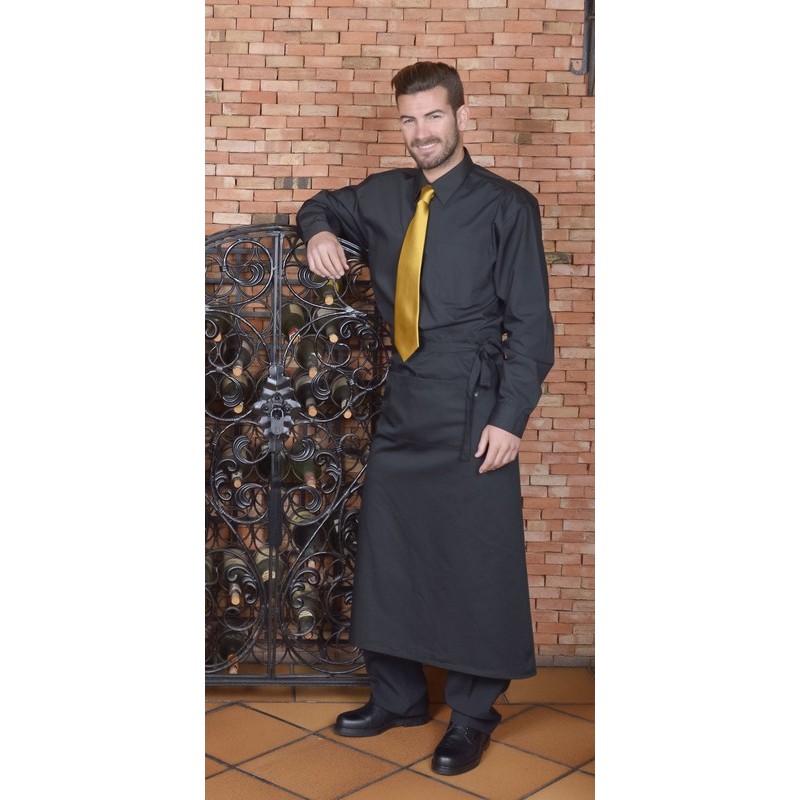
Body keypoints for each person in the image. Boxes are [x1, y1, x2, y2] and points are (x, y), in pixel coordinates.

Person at [296, 61, 554, 776]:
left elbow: (532, 326)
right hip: (406, 396)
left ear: (461, 117)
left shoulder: (508, 206)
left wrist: (510, 418)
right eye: (409, 120)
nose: (421, 132)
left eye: (434, 116)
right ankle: (399, 697)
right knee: (392, 550)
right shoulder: (384, 195)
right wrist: (319, 232)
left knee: (476, 559)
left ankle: (472, 715)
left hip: (475, 400)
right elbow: (320, 204)